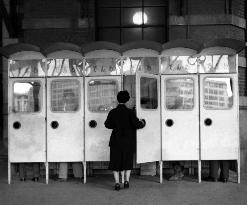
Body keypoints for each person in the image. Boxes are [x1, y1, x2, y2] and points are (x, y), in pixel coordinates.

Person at [104, 90, 145, 191]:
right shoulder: (130, 112)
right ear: (127, 100)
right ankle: (126, 181)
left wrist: (116, 125)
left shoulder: (112, 112)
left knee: (115, 161)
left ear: (118, 100)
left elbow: (107, 125)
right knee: (127, 161)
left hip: (116, 140)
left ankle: (117, 183)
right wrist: (143, 122)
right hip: (128, 141)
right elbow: (137, 125)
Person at [57, 89, 83, 181]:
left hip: (73, 132)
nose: (67, 97)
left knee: (74, 154)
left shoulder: (76, 106)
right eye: (66, 96)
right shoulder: (62, 106)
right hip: (64, 132)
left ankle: (78, 175)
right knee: (65, 154)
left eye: (69, 96)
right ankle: (64, 176)